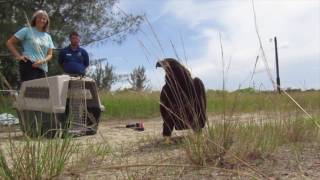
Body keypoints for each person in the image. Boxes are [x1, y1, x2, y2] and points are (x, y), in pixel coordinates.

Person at [6, 10, 54, 82]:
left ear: (47, 21)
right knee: (29, 91)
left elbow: (50, 54)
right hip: (29, 65)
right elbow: (9, 43)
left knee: (42, 91)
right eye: (39, 18)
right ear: (35, 19)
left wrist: (42, 61)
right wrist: (19, 56)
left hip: (43, 67)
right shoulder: (26, 30)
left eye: (44, 19)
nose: (41, 20)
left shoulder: (48, 36)